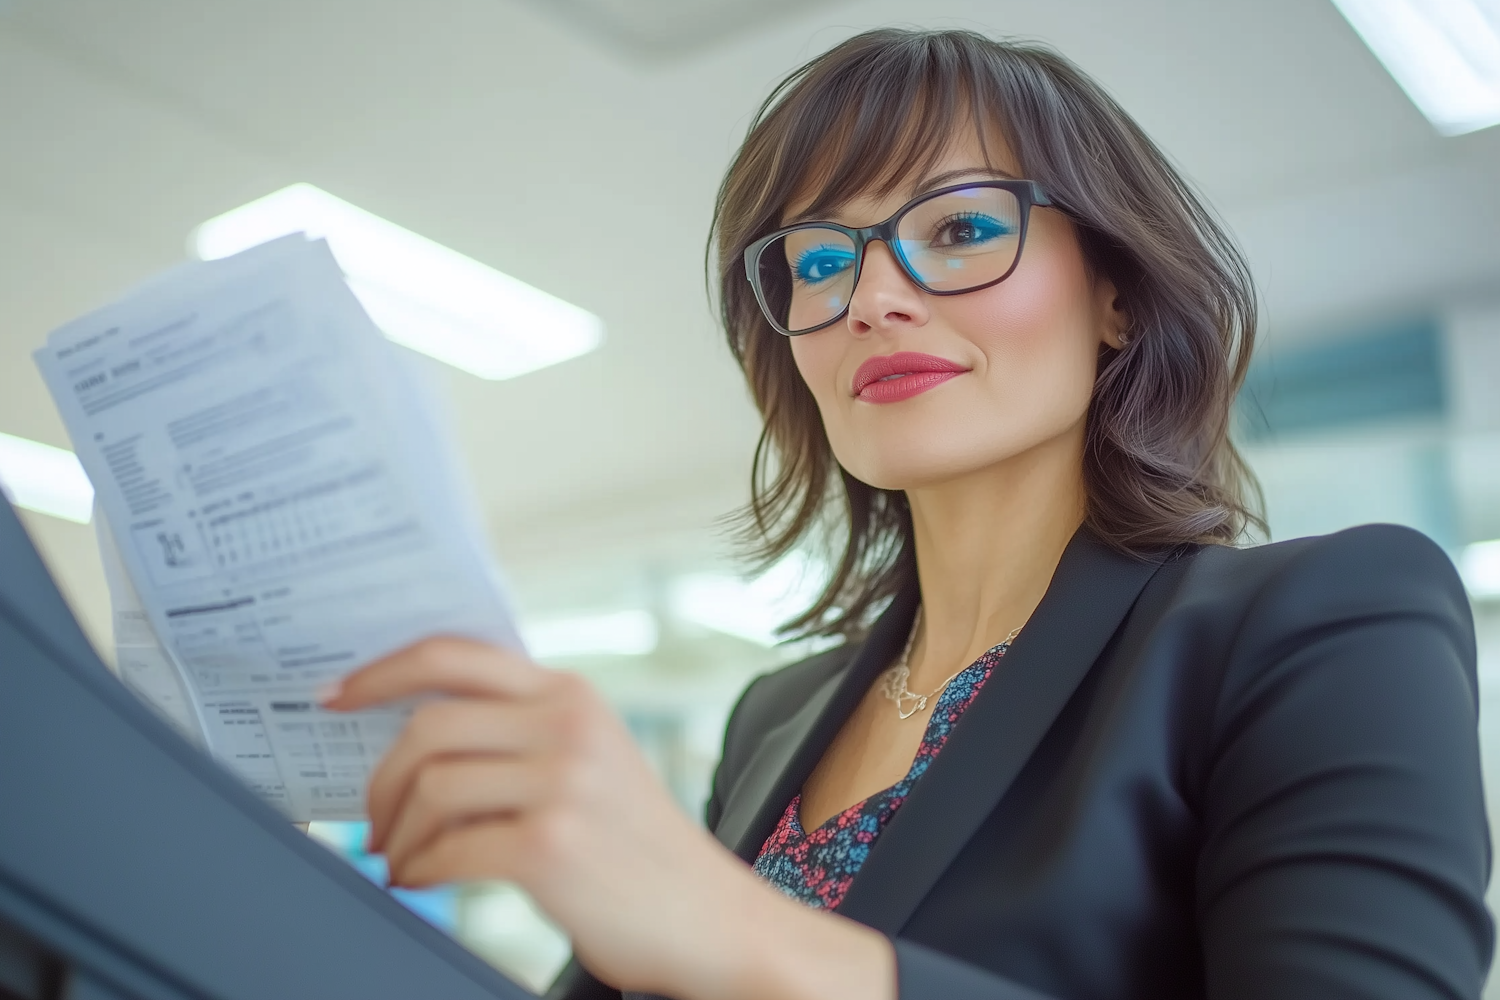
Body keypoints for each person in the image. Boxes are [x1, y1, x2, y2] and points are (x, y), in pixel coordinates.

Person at [321, 28, 1492, 1000]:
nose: (873, 296)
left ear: (1117, 298)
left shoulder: (1319, 620)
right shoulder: (774, 717)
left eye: (963, 229)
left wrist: (756, 940)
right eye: (819, 259)